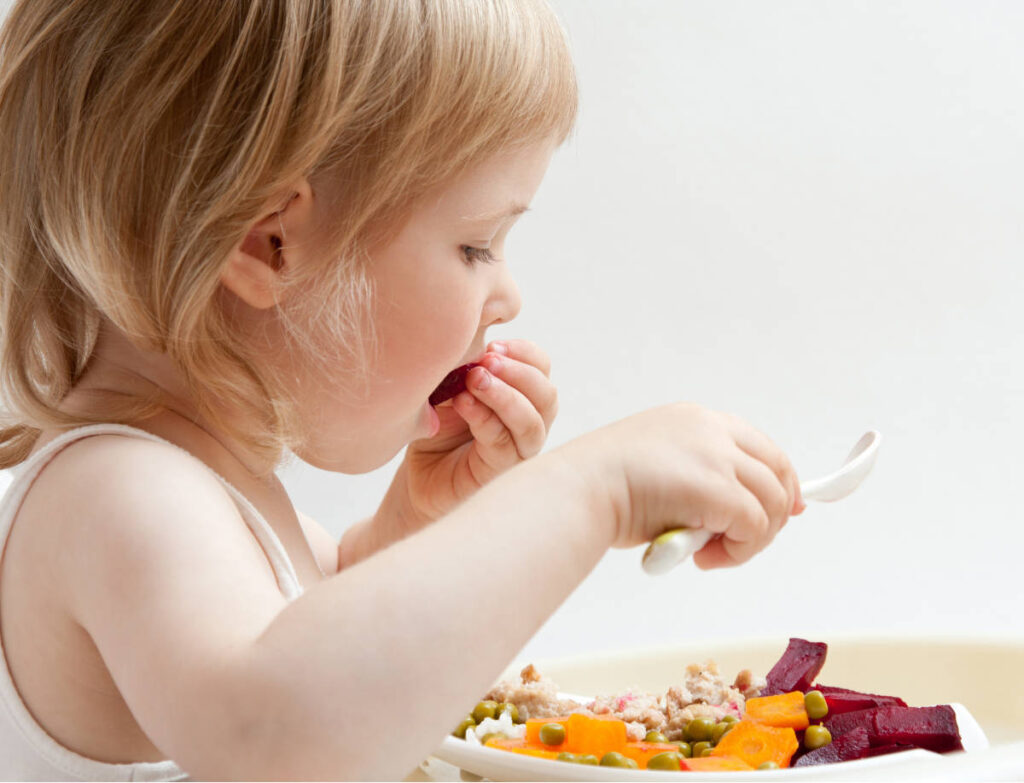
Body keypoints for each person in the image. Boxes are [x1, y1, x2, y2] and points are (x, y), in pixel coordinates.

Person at [0, 0, 804, 779]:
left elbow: (329, 651)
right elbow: (278, 735)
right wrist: (595, 490)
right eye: (475, 244)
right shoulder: (116, 495)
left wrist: (410, 525)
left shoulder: (205, 501)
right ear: (269, 242)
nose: (507, 295)